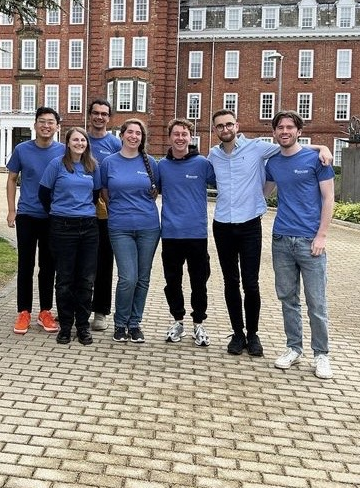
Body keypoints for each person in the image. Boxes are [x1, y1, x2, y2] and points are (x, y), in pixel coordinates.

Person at [207, 108, 332, 357]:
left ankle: (253, 335)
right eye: (220, 126)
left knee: (251, 283)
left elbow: (290, 146)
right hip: (222, 225)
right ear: (215, 130)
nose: (225, 129)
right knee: (230, 282)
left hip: (250, 225)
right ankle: (237, 334)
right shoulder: (212, 155)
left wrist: (322, 148)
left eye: (229, 124)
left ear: (237, 125)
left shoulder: (256, 148)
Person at [263, 110, 336, 379]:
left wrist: (322, 235)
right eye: (280, 127)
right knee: (287, 299)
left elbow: (329, 199)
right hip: (281, 238)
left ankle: (322, 354)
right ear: (274, 132)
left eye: (290, 127)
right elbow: (264, 193)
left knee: (316, 301)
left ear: (299, 131)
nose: (284, 131)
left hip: (310, 241)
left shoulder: (317, 159)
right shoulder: (272, 162)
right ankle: (294, 348)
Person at [38, 127, 101, 345]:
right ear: (67, 142)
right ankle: (65, 325)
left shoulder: (93, 166)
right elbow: (44, 193)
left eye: (83, 140)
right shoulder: (57, 164)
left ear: (87, 144)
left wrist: (80, 211)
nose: (79, 143)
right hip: (62, 227)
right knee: (64, 279)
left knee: (85, 280)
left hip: (88, 228)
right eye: (75, 139)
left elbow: (94, 195)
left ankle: (82, 326)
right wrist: (61, 211)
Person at [157, 119, 216, 346]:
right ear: (170, 137)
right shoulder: (162, 165)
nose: (180, 138)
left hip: (196, 234)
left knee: (199, 281)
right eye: (176, 134)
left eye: (184, 134)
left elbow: (227, 180)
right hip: (171, 233)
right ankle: (177, 320)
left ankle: (198, 323)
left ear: (190, 138)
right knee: (172, 281)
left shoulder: (202, 164)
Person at [100, 119, 160, 343]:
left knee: (143, 278)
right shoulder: (109, 162)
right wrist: (118, 209)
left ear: (142, 138)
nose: (134, 136)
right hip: (119, 227)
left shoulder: (150, 163)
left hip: (149, 227)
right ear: (122, 135)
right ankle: (120, 322)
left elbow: (154, 191)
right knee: (128, 277)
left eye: (139, 133)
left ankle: (134, 324)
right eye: (130, 132)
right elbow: (104, 192)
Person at [6, 107, 64, 335]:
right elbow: (11, 180)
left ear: (57, 126)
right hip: (27, 215)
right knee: (25, 265)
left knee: (48, 266)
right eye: (42, 121)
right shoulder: (22, 150)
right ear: (35, 125)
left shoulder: (63, 151)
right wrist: (12, 210)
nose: (46, 126)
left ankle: (45, 311)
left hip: (53, 216)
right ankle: (24, 312)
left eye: (51, 122)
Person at [86, 99, 122, 331]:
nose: (100, 117)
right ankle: (75, 306)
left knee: (103, 261)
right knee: (78, 261)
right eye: (96, 113)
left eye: (104, 114)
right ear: (90, 115)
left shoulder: (115, 143)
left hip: (105, 208)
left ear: (109, 118)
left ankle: (100, 311)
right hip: (78, 206)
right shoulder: (79, 139)